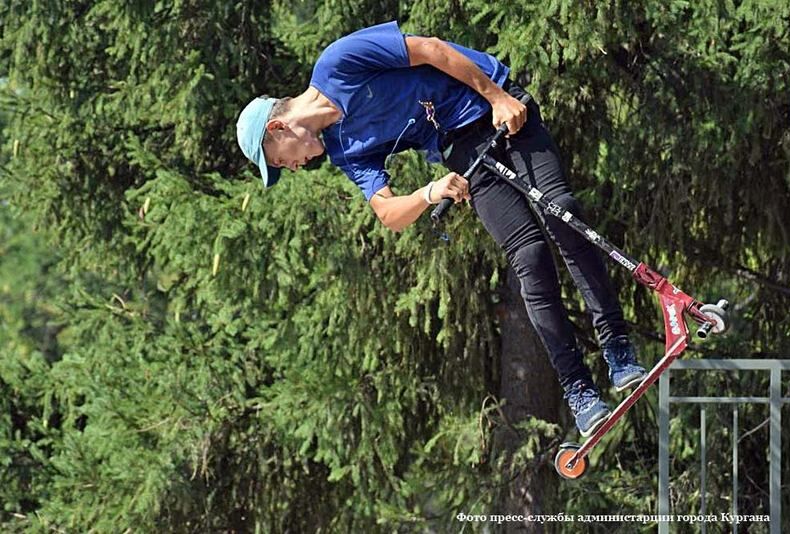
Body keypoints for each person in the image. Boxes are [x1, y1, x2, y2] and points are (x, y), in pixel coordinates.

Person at [236, 21, 647, 437]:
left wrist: (498, 97)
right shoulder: (344, 150)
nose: (292, 168)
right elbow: (387, 212)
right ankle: (579, 391)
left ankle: (618, 349)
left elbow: (431, 49)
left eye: (279, 161)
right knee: (529, 256)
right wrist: (428, 193)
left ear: (278, 128)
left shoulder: (337, 63)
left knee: (562, 212)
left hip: (495, 103)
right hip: (462, 149)